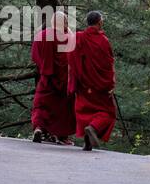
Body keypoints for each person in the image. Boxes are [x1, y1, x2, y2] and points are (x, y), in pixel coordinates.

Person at [69, 10, 116, 151]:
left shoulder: (78, 37)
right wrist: (111, 83)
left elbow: (70, 58)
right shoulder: (103, 41)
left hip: (83, 83)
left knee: (85, 111)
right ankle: (93, 128)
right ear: (99, 22)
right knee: (108, 112)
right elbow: (108, 64)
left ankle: (87, 142)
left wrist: (75, 78)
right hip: (100, 85)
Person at [30, 10, 76, 144]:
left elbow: (35, 56)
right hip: (64, 80)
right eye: (66, 21)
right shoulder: (69, 37)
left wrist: (44, 66)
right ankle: (61, 136)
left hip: (47, 78)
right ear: (64, 23)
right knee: (63, 108)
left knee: (42, 104)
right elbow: (74, 58)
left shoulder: (42, 35)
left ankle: (38, 128)